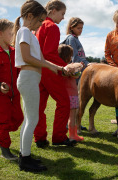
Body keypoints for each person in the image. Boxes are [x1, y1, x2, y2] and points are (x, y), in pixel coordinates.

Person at [13, 0, 64, 172]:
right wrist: (50, 66)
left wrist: (61, 68)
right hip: (28, 78)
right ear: (29, 16)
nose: (41, 24)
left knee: (30, 119)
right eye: (40, 20)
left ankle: (24, 154)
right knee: (32, 119)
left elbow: (42, 60)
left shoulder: (30, 34)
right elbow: (27, 58)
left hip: (31, 78)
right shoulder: (25, 31)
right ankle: (25, 159)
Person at [34, 0, 77, 148]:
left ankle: (40, 138)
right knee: (64, 102)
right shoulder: (52, 27)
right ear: (53, 11)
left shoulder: (38, 27)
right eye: (62, 13)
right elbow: (49, 53)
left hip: (37, 70)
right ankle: (58, 137)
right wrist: (66, 68)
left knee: (39, 107)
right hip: (49, 70)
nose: (63, 18)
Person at [0, 19, 24, 161]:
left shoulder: (15, 52)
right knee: (3, 122)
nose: (13, 36)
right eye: (11, 33)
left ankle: (5, 132)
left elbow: (19, 70)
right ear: (0, 34)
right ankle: (5, 150)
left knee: (19, 118)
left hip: (15, 94)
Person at [58, 44, 84, 141]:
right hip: (72, 96)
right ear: (68, 57)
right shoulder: (69, 68)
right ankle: (73, 135)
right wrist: (80, 66)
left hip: (64, 96)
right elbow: (76, 75)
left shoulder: (60, 68)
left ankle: (71, 135)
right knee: (72, 117)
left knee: (67, 117)